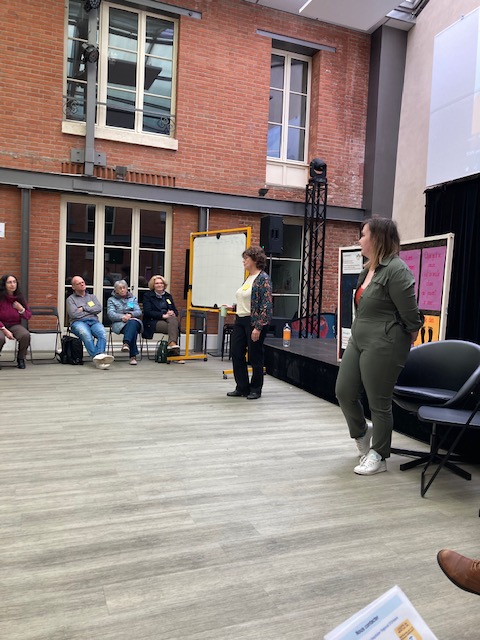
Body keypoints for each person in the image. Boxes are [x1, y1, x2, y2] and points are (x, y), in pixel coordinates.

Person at [335, 217, 424, 475]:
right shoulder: (368, 270)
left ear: (377, 238)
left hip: (384, 342)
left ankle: (379, 455)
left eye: (363, 235)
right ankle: (362, 433)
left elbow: (412, 317)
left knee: (379, 401)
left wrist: (399, 340)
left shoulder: (397, 270)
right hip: (359, 338)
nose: (360, 239)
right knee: (344, 391)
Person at [226, 246, 273, 400]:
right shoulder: (248, 278)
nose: (243, 261)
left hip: (254, 322)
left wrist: (258, 328)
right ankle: (242, 387)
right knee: (236, 352)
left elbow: (266, 305)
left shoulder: (263, 278)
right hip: (240, 320)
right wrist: (233, 307)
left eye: (246, 258)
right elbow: (249, 301)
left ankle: (256, 389)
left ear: (255, 259)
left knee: (255, 356)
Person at [66, 276, 114, 369]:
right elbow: (74, 314)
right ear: (73, 287)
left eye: (83, 282)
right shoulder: (71, 299)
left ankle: (98, 358)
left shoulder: (92, 297)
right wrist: (90, 311)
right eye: (78, 283)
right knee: (86, 335)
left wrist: (83, 308)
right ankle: (99, 357)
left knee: (102, 334)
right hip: (78, 322)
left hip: (93, 322)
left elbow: (98, 308)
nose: (82, 284)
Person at [107, 280, 143, 365]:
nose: (122, 290)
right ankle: (132, 357)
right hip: (119, 323)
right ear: (116, 290)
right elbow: (110, 314)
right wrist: (122, 317)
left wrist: (130, 315)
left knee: (132, 323)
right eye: (120, 288)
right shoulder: (111, 300)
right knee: (133, 329)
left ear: (127, 289)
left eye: (124, 288)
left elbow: (138, 312)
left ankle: (126, 343)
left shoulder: (132, 298)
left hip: (133, 321)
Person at [0, 273, 32, 369]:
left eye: (14, 282)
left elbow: (28, 315)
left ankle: (21, 358)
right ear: (4, 284)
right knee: (0, 338)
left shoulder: (19, 297)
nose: (12, 284)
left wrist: (21, 309)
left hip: (14, 324)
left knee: (25, 335)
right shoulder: (1, 297)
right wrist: (4, 329)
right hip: (1, 325)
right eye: (9, 282)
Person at [142, 275, 180, 354]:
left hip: (169, 320)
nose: (159, 285)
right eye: (157, 283)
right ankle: (173, 350)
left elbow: (176, 311)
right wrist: (163, 315)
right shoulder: (148, 296)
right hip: (153, 321)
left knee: (173, 319)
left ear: (164, 285)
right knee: (174, 327)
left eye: (161, 283)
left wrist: (172, 312)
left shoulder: (168, 296)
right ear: (153, 285)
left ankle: (172, 344)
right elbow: (148, 312)